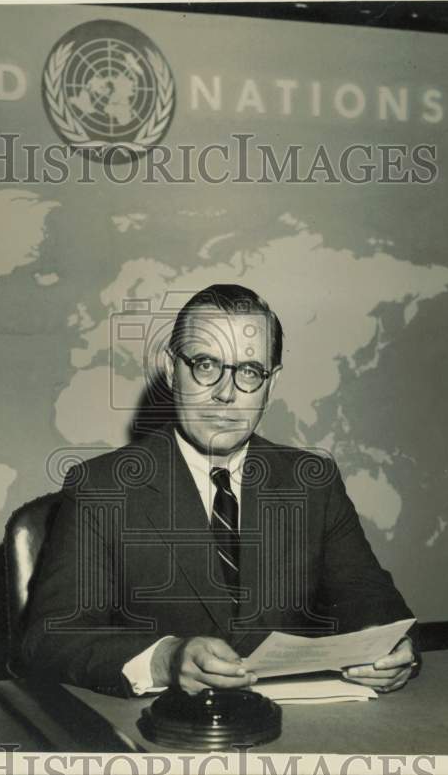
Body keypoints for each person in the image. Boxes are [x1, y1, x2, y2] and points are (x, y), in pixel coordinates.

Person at [21, 284, 418, 697]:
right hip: (164, 737)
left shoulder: (312, 480)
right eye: (206, 365)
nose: (226, 394)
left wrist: (390, 647)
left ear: (272, 383)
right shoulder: (101, 488)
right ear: (172, 369)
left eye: (249, 372)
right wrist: (165, 659)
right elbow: (47, 640)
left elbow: (371, 599)